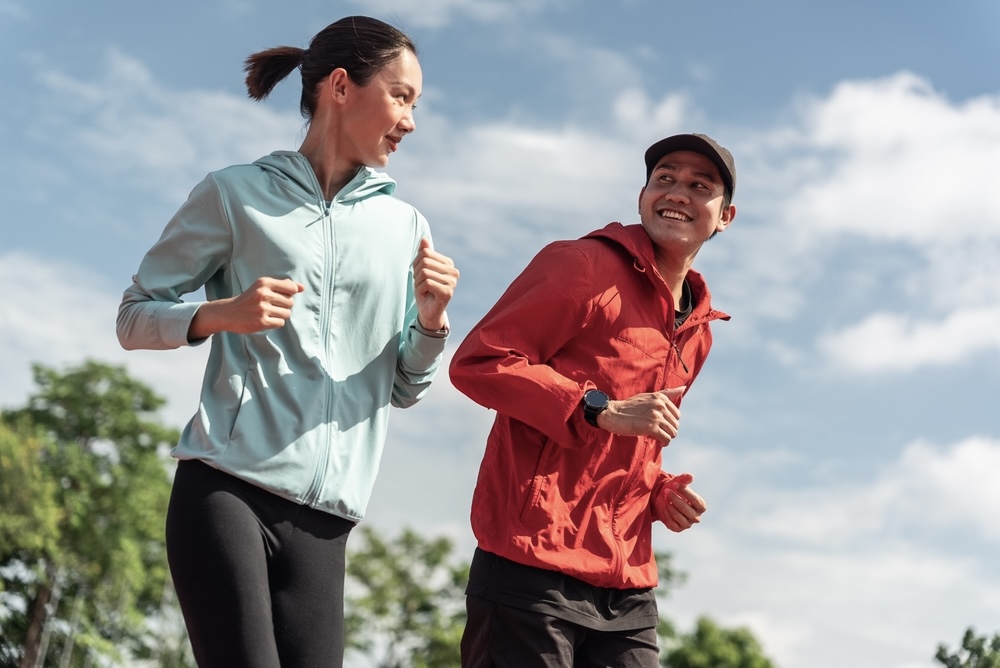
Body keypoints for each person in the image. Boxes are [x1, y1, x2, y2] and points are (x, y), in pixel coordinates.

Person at [116, 16, 459, 667]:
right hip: (226, 489)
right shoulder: (235, 195)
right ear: (340, 86)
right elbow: (134, 317)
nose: (411, 121)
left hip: (326, 522)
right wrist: (219, 314)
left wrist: (434, 324)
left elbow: (404, 389)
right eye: (401, 96)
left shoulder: (406, 227)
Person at [449, 133, 737, 667]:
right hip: (530, 565)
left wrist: (658, 491)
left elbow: (633, 444)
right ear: (643, 194)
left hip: (626, 584)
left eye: (701, 186)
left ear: (725, 217)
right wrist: (597, 408)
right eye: (665, 178)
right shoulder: (581, 264)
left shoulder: (699, 328)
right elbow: (480, 363)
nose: (678, 192)